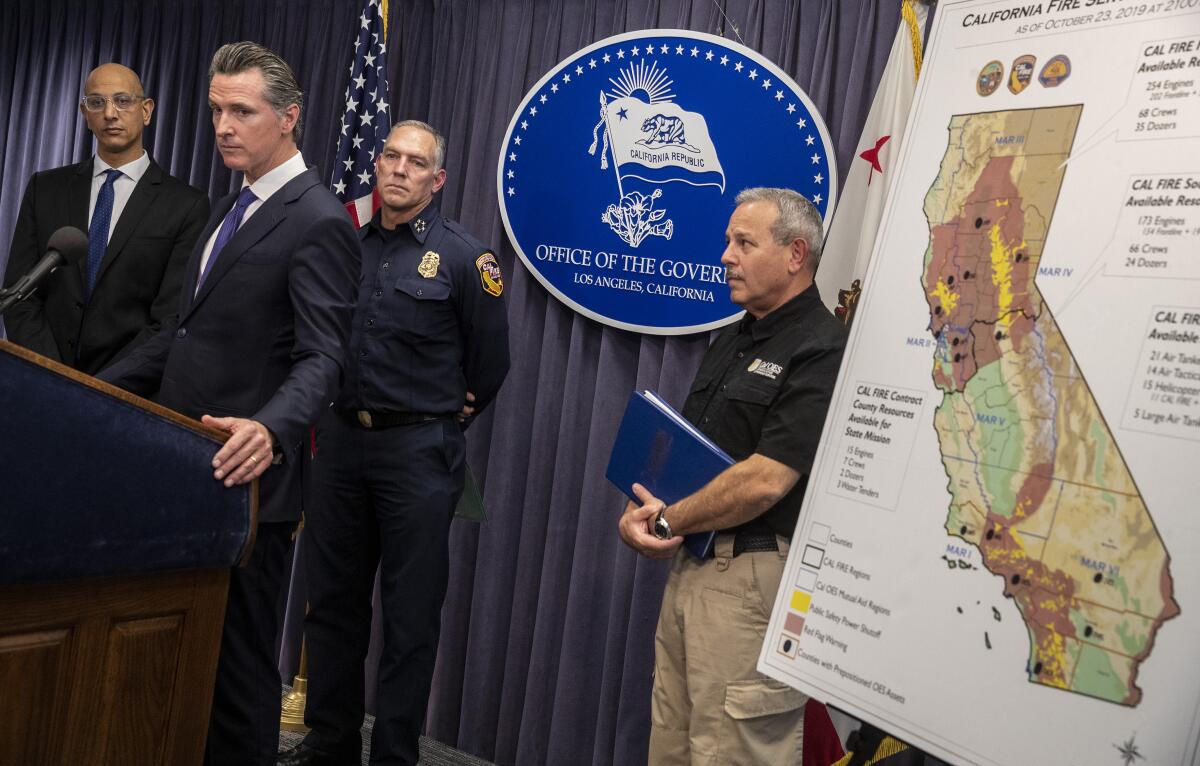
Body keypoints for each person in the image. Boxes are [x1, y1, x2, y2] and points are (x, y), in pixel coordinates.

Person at [98, 42, 360, 766]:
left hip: (247, 488)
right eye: (216, 110)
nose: (223, 126)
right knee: (186, 668)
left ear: (289, 118)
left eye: (241, 111)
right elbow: (182, 337)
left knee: (239, 679)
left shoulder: (318, 220)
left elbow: (324, 356)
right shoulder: (230, 207)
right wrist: (90, 388)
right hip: (183, 470)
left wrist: (272, 429)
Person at [277, 120, 510, 766]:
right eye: (390, 156)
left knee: (409, 620)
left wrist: (448, 413)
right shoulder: (340, 241)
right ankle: (330, 742)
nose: (399, 169)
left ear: (436, 181)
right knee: (332, 605)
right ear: (376, 166)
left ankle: (395, 755)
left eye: (416, 163)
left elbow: (490, 364)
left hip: (418, 453)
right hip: (341, 446)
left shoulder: (467, 259)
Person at [618, 187, 847, 765]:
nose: (726, 255)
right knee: (671, 742)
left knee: (730, 754)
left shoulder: (823, 346)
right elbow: (689, 455)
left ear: (796, 254)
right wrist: (642, 511)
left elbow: (766, 479)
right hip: (693, 567)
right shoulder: (735, 337)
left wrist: (669, 519)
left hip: (752, 578)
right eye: (727, 241)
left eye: (744, 242)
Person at [2, 63, 209, 375]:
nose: (110, 113)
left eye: (123, 101)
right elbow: (20, 295)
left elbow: (169, 321)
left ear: (147, 110)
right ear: (85, 113)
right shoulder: (45, 188)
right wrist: (51, 375)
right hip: (40, 381)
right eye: (96, 102)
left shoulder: (187, 205)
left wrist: (99, 390)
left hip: (124, 397)